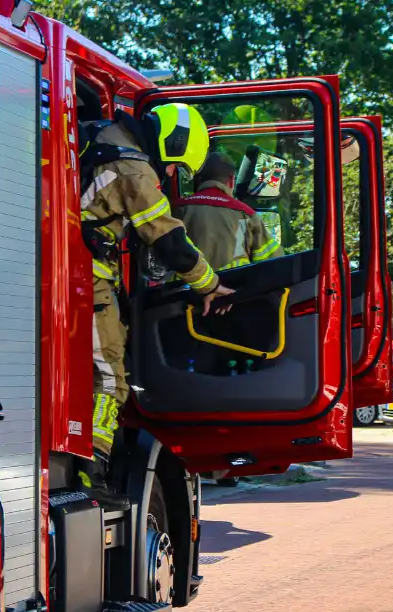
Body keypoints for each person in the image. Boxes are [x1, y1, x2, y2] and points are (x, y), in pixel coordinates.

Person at [77, 102, 233, 501]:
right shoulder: (133, 169)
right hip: (85, 279)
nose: (168, 175)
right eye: (174, 166)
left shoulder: (97, 137)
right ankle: (90, 471)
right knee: (109, 376)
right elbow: (166, 239)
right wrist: (208, 284)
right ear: (172, 144)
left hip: (72, 275)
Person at [178, 152, 283, 271]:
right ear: (232, 180)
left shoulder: (178, 210)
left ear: (197, 180)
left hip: (183, 289)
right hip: (234, 287)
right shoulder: (245, 214)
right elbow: (276, 264)